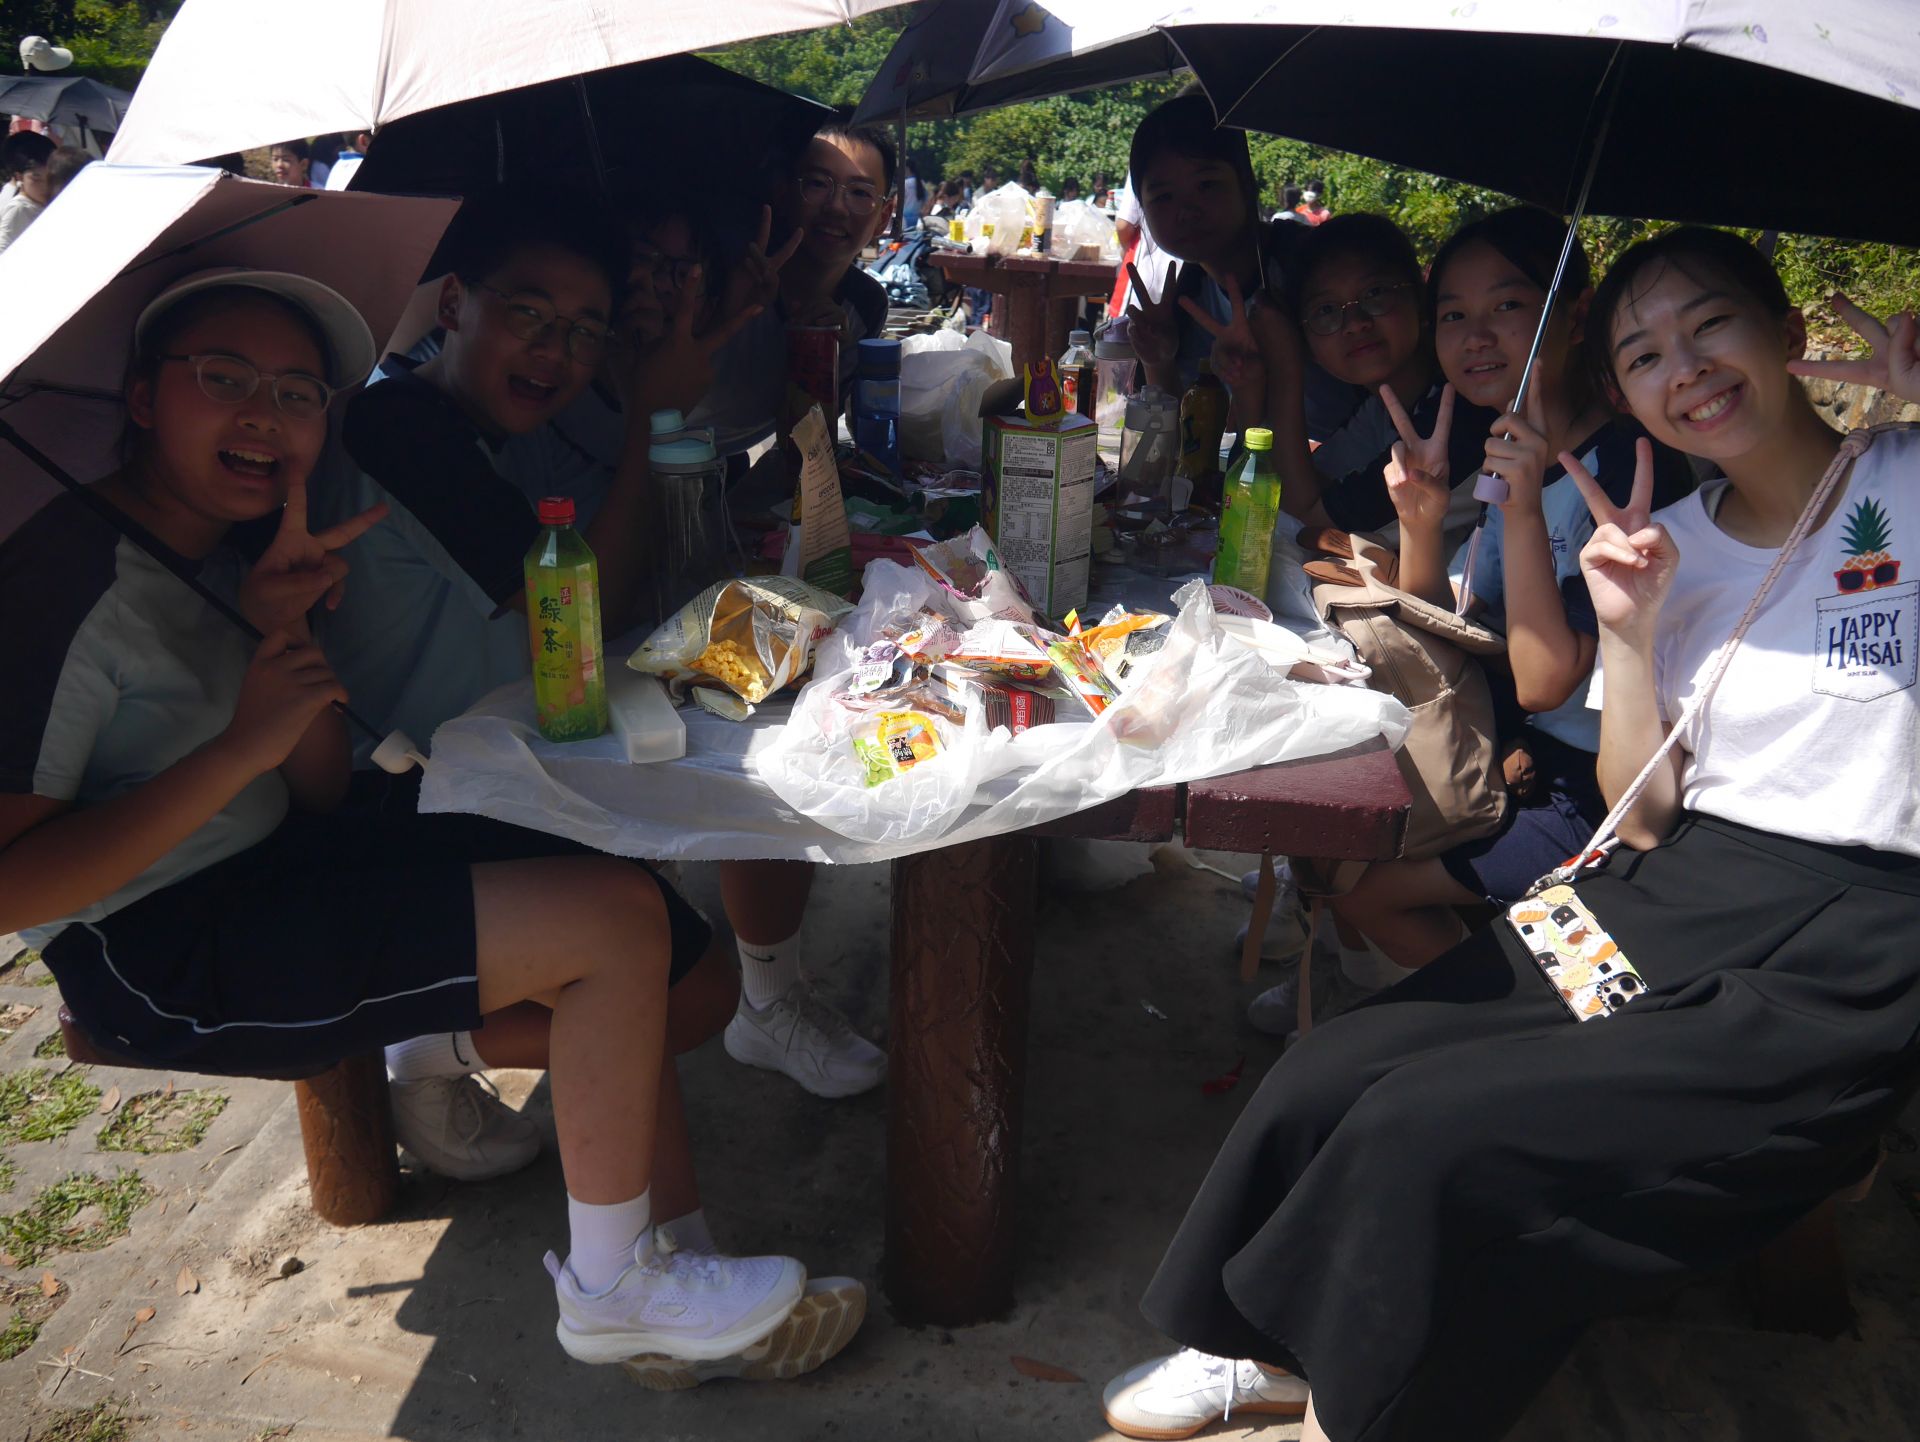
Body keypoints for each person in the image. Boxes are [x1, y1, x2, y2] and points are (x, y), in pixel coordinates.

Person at [1099, 226, 1920, 1442]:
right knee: (1338, 1067)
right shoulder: (1673, 539)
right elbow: (1645, 807)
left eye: (1710, 325)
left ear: (1790, 335)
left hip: (1858, 936)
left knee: (1449, 1132)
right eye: (1644, 353)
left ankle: (1362, 1407)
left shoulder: (1906, 474)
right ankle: (1263, 1344)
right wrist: (1629, 631)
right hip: (1679, 886)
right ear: (1622, 383)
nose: (1684, 368)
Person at [0, 269, 854, 1376]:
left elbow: (312, 787)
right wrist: (240, 746)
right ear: (142, 396)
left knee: (673, 964)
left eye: (298, 393)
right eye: (224, 378)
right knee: (608, 931)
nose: (265, 414)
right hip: (155, 945)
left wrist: (284, 640)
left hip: (285, 848)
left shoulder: (227, 545)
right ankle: (617, 1287)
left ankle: (669, 1274)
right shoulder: (58, 584)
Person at [1243, 209, 1692, 1022]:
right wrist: (1418, 520)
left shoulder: (1624, 468)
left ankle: (1530, 1022)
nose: (1476, 336)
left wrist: (1519, 511)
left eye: (1508, 306)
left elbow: (1545, 681)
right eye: (1454, 314)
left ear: (1574, 315)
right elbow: (1446, 624)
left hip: (1595, 788)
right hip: (1511, 750)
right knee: (1330, 822)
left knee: (1369, 889)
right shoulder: (1510, 449)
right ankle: (1459, 1005)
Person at [0, 131, 55, 254]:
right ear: (19, 176)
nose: (45, 185)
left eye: (51, 177)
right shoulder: (19, 209)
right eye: (36, 178)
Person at [901, 157, 923, 231]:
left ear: (907, 168)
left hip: (904, 219)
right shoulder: (921, 183)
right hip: (917, 218)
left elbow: (898, 201)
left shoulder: (905, 183)